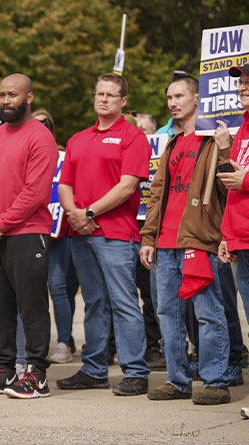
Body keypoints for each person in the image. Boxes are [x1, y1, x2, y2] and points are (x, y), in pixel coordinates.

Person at [55, 74, 151, 397]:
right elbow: (64, 185)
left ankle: (136, 371)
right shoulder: (78, 139)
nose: (104, 99)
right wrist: (75, 215)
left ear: (123, 101)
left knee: (124, 302)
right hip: (80, 232)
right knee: (94, 302)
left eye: (111, 95)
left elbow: (128, 186)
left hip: (115, 233)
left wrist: (90, 213)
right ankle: (95, 369)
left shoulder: (133, 136)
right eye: (100, 93)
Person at [140, 75, 232, 405]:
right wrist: (148, 237)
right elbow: (157, 194)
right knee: (168, 313)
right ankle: (178, 380)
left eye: (179, 96)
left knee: (208, 313)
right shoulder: (172, 144)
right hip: (165, 243)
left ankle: (216, 381)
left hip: (198, 239)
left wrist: (224, 151)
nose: (172, 102)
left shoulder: (213, 140)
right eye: (169, 97)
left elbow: (227, 188)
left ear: (197, 99)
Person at [0, 73, 58, 399]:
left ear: (29, 97)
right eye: (2, 95)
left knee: (31, 307)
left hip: (26, 233)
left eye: (13, 95)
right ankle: (2, 370)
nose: (6, 101)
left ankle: (37, 374)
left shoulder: (40, 137)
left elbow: (35, 192)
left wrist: (0, 224)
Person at [32, 110, 80, 364]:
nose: (40, 128)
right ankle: (36, 343)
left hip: (60, 235)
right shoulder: (24, 156)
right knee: (31, 289)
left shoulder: (65, 157)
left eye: (46, 124)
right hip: (29, 231)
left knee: (59, 287)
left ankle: (63, 342)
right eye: (35, 124)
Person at [219, 63, 249, 415]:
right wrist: (227, 234)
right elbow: (233, 185)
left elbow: (243, 181)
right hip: (241, 236)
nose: (243, 87)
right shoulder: (242, 127)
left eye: (248, 81)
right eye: (241, 81)